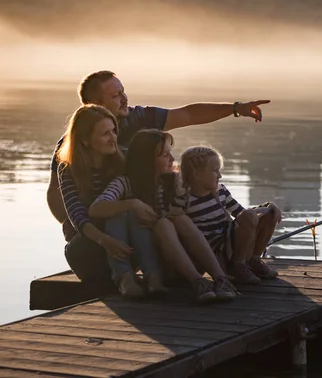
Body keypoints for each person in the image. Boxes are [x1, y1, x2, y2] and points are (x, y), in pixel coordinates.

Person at [47, 70, 270, 241]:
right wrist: (73, 227)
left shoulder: (139, 118)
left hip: (145, 215)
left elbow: (188, 114)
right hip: (101, 222)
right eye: (116, 96)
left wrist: (235, 108)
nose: (125, 99)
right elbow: (57, 193)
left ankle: (230, 244)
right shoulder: (72, 145)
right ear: (95, 106)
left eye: (123, 91)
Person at [89, 129, 237, 303]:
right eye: (165, 155)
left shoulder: (176, 182)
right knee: (122, 214)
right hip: (154, 258)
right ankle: (130, 276)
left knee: (177, 219)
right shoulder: (126, 183)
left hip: (181, 257)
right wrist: (133, 203)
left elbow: (206, 196)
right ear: (147, 161)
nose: (173, 159)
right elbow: (95, 208)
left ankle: (219, 278)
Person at [57, 104, 166, 298]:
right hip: (89, 250)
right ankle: (124, 277)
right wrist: (106, 241)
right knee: (118, 212)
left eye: (114, 131)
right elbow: (78, 217)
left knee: (124, 213)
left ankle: (152, 275)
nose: (113, 138)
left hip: (127, 248)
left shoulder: (123, 159)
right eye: (105, 134)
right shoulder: (68, 169)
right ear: (84, 140)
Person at [176, 144, 282, 284]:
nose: (220, 175)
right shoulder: (184, 199)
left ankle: (252, 262)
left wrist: (267, 207)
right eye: (215, 171)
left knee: (269, 214)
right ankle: (237, 266)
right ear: (197, 174)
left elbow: (242, 214)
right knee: (250, 216)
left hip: (230, 244)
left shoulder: (221, 191)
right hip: (212, 254)